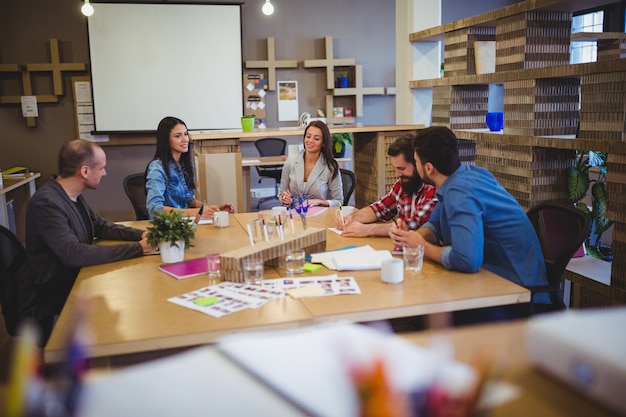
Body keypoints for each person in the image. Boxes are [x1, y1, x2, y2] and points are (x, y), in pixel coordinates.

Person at [389, 126, 549, 321]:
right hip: (495, 280)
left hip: (516, 293)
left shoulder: (460, 191)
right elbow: (435, 224)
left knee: (419, 311)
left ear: (428, 168)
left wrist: (421, 246)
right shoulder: (468, 175)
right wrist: (412, 238)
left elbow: (466, 260)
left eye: (416, 162)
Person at [19, 139, 154, 346]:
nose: (105, 173)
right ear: (84, 171)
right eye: (101, 168)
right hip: (53, 292)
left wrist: (140, 235)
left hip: (74, 281)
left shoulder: (70, 194)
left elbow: (99, 226)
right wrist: (137, 249)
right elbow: (75, 254)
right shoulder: (47, 203)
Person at [334, 135, 437, 237]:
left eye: (401, 169)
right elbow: (379, 208)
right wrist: (352, 219)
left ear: (417, 164)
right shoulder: (402, 184)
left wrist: (369, 230)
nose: (397, 174)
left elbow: (413, 225)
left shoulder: (433, 189)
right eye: (396, 168)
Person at [145, 116, 234, 219]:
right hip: (166, 226)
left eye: (186, 134)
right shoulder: (157, 169)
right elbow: (155, 209)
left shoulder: (186, 165)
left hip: (185, 222)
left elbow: (188, 201)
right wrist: (196, 212)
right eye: (178, 136)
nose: (185, 139)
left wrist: (212, 209)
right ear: (166, 140)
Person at [278, 120, 343, 208]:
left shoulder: (330, 167)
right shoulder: (291, 162)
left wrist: (319, 202)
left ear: (323, 143)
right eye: (308, 136)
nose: (310, 141)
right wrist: (285, 199)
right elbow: (282, 194)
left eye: (316, 139)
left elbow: (339, 201)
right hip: (294, 214)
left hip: (320, 216)